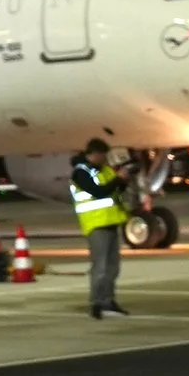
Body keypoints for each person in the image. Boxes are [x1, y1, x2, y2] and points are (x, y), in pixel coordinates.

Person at [70, 135, 129, 315]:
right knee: (100, 266)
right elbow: (98, 192)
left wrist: (123, 180)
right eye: (103, 155)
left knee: (113, 267)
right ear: (93, 154)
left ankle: (109, 300)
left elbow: (115, 191)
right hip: (96, 225)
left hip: (111, 222)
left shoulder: (105, 170)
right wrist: (117, 180)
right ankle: (97, 303)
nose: (105, 159)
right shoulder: (81, 172)